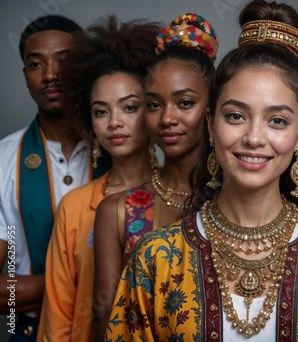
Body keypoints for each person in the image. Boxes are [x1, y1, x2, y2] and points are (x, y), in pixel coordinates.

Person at [105, 1, 298, 340]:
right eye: (236, 116)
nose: (254, 138)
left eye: (277, 121)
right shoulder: (156, 259)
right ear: (211, 124)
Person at [92, 13, 218, 341]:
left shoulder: (239, 201)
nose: (167, 118)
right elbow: (107, 317)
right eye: (153, 104)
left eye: (185, 103)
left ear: (212, 109)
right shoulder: (117, 211)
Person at [36, 16, 158, 341]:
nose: (114, 122)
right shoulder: (75, 207)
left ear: (155, 109)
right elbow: (58, 317)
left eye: (129, 107)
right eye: (101, 111)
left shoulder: (184, 199)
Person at [0, 15, 108, 341]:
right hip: (30, 332)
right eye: (36, 64)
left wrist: (34, 286)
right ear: (25, 75)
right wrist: (92, 283)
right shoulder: (4, 158)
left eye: (64, 61)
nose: (50, 75)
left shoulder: (123, 151)